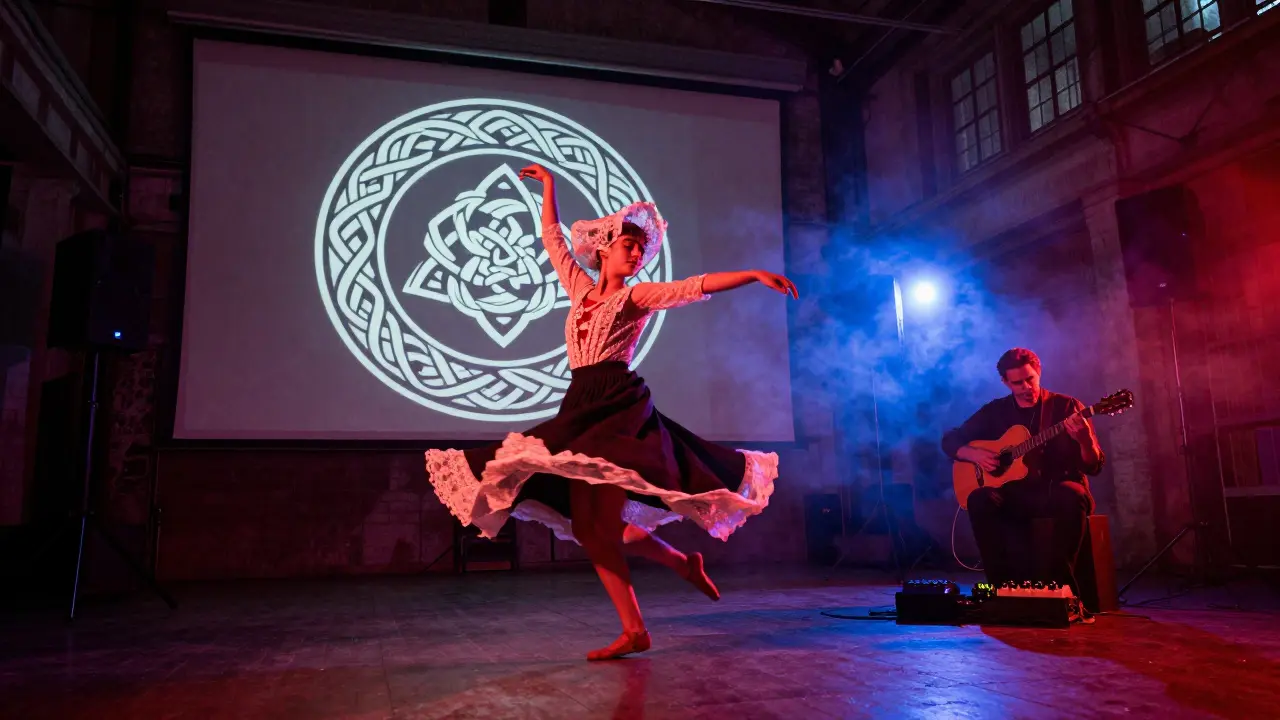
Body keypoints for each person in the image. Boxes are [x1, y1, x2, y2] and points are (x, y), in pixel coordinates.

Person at [425, 164, 797, 661]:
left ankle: (636, 628)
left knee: (594, 527)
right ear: (604, 248)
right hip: (582, 403)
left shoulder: (636, 296)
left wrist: (751, 274)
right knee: (592, 527)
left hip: (616, 408)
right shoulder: (580, 289)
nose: (637, 254)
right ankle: (682, 566)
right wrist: (551, 188)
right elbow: (552, 240)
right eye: (629, 246)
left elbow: (693, 285)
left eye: (642, 249)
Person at [940, 348, 1104, 592]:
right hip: (1013, 494)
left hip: (1054, 489)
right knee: (979, 499)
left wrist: (1085, 440)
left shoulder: (1066, 407)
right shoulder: (995, 411)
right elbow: (950, 440)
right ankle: (1001, 588)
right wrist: (972, 453)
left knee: (1073, 496)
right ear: (1005, 382)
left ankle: (1063, 589)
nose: (1027, 387)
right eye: (1018, 383)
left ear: (1038, 372)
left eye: (1031, 379)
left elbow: (1094, 466)